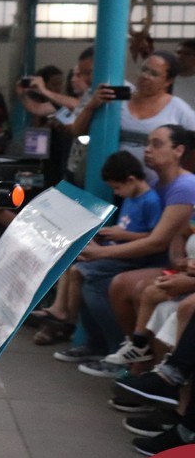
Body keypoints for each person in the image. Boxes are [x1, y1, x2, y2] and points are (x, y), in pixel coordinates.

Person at [55, 124, 195, 364]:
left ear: (178, 150)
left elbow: (156, 241)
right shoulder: (155, 184)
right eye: (147, 143)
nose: (147, 150)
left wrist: (102, 253)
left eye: (156, 144)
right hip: (172, 259)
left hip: (166, 260)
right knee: (91, 275)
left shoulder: (184, 186)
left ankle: (123, 353)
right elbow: (173, 236)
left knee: (110, 282)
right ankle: (114, 351)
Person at [29, 150, 161, 349]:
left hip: (128, 257)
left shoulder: (150, 201)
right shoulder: (131, 197)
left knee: (78, 271)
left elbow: (152, 237)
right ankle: (59, 307)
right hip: (114, 248)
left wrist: (122, 235)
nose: (117, 193)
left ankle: (69, 319)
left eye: (117, 188)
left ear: (131, 180)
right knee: (72, 257)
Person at [70, 50, 195, 177]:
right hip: (111, 180)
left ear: (168, 81)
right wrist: (92, 105)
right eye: (144, 70)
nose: (145, 76)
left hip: (154, 183)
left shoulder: (177, 107)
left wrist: (182, 174)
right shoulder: (119, 97)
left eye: (154, 74)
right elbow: (77, 131)